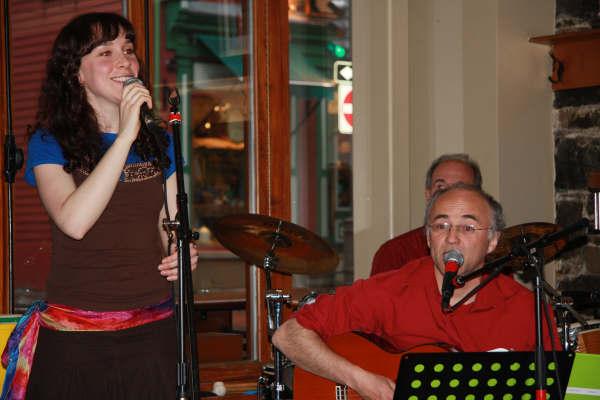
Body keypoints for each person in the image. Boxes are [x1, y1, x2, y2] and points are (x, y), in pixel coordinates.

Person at [1, 12, 198, 400]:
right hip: (78, 336)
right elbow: (74, 221)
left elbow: (170, 222)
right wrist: (125, 136)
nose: (124, 60)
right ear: (76, 73)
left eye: (128, 50)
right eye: (106, 52)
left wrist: (181, 250)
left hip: (152, 329)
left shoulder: (159, 140)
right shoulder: (50, 141)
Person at [273, 184, 559, 400]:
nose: (452, 237)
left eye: (468, 227)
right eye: (441, 225)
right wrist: (361, 381)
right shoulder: (393, 289)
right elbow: (288, 335)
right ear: (428, 237)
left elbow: (560, 386)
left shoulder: (526, 309)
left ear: (493, 241)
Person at [370, 153, 482, 276]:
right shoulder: (395, 253)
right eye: (440, 187)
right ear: (428, 195)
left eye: (459, 187)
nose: (448, 195)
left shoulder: (491, 251)